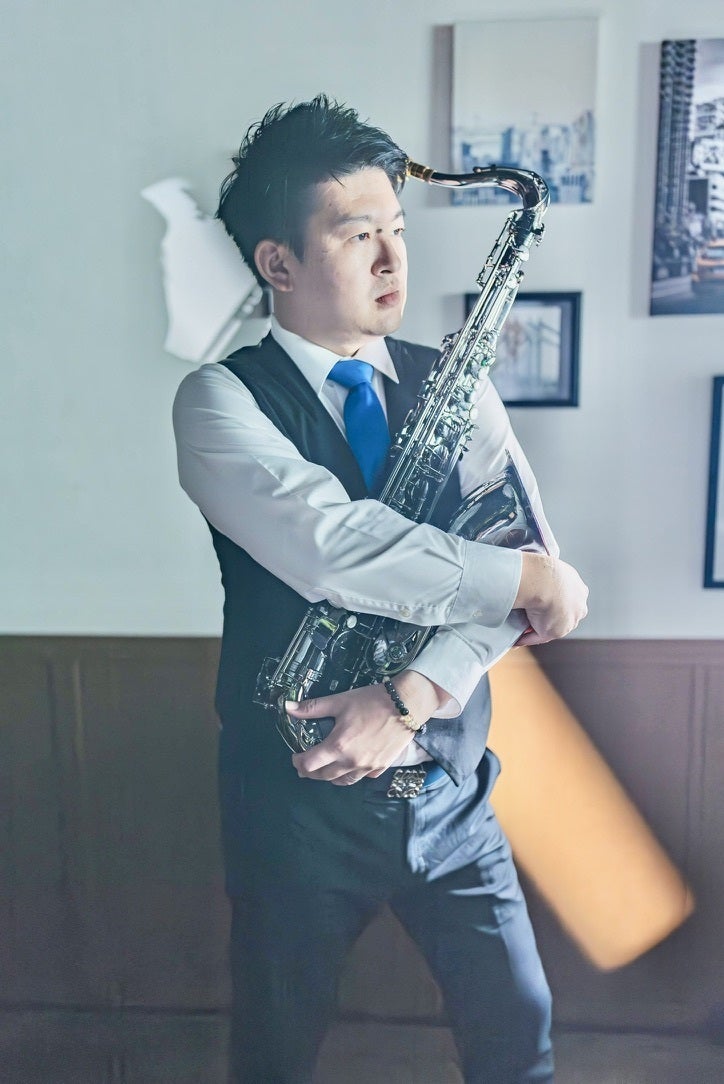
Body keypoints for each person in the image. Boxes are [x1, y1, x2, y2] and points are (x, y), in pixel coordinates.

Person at [173, 94, 588, 1083]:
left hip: (453, 787)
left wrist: (413, 696)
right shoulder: (218, 399)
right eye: (359, 235)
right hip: (294, 810)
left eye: (397, 229)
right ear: (279, 264)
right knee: (275, 1052)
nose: (394, 259)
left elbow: (522, 586)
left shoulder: (457, 379)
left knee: (519, 1030)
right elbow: (340, 547)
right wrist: (527, 573)